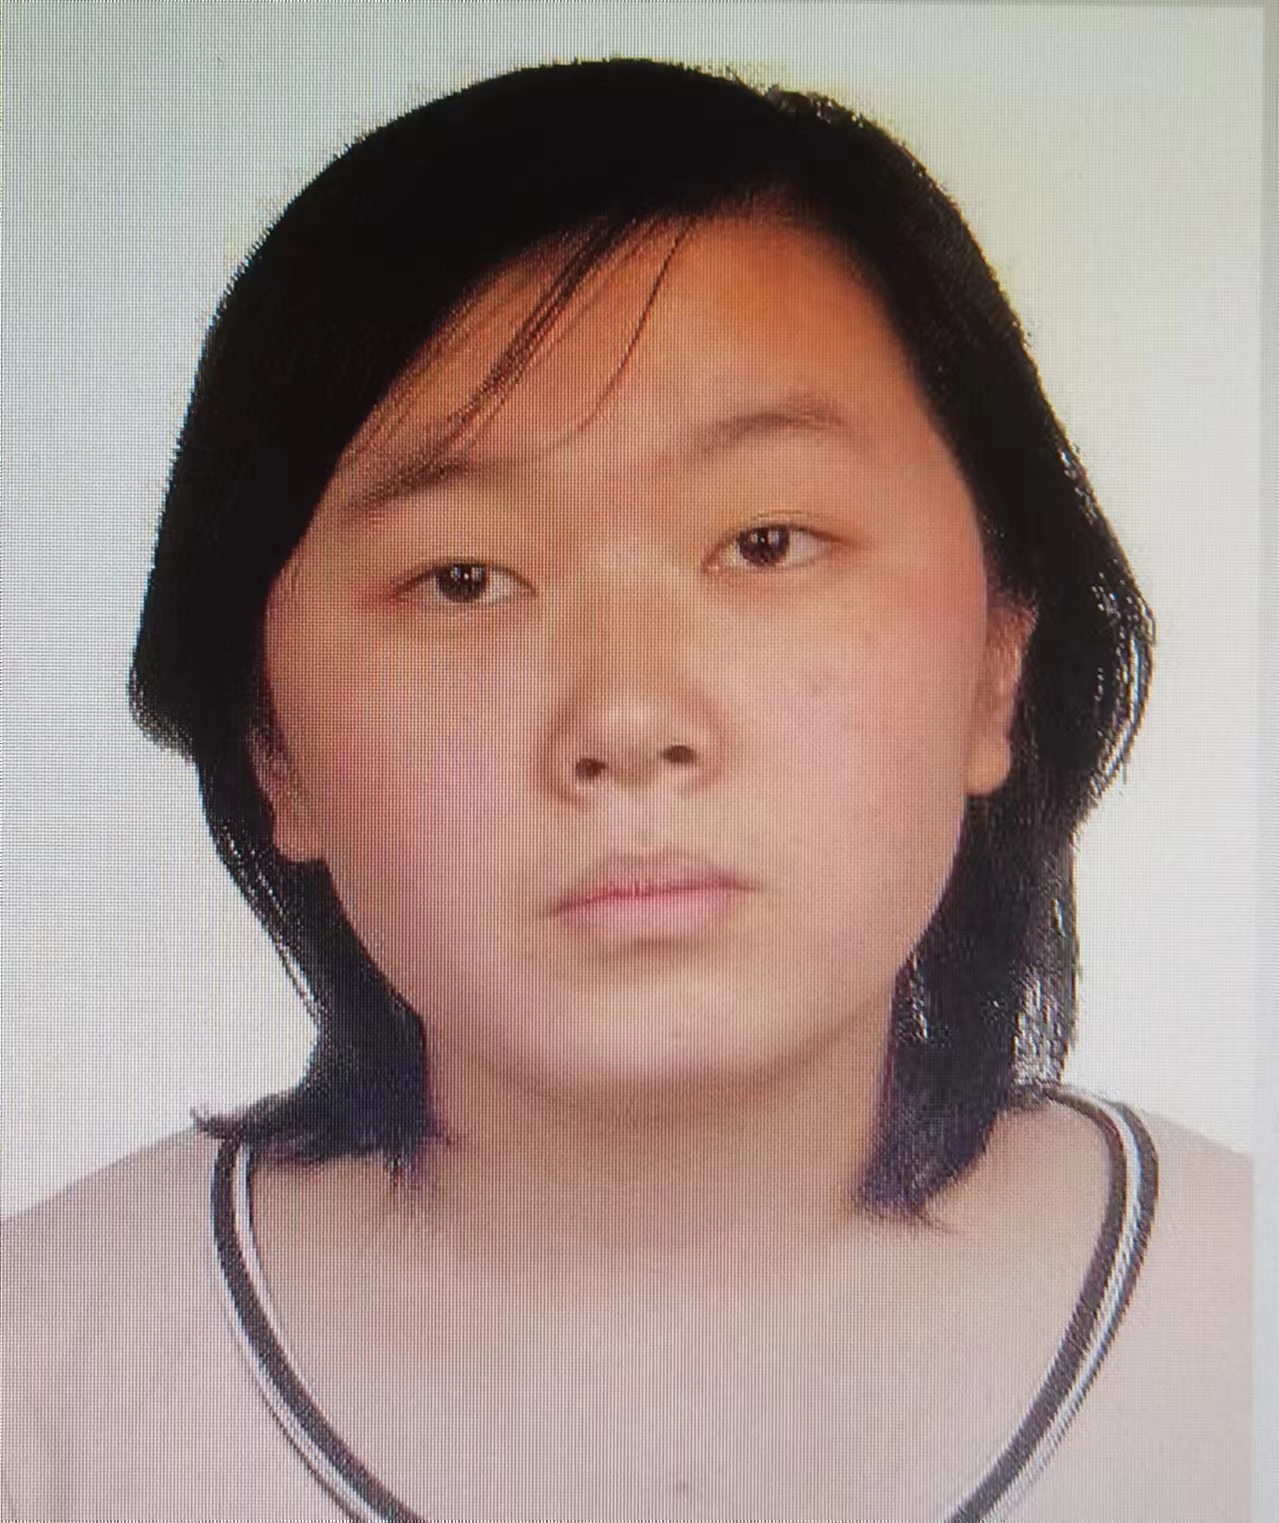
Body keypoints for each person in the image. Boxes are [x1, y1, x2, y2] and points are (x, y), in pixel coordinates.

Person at [1, 58, 1251, 1522]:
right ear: (275, 748)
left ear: (995, 670)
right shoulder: (47, 1383)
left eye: (766, 543)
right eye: (463, 579)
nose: (627, 721)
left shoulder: (1240, 1323)